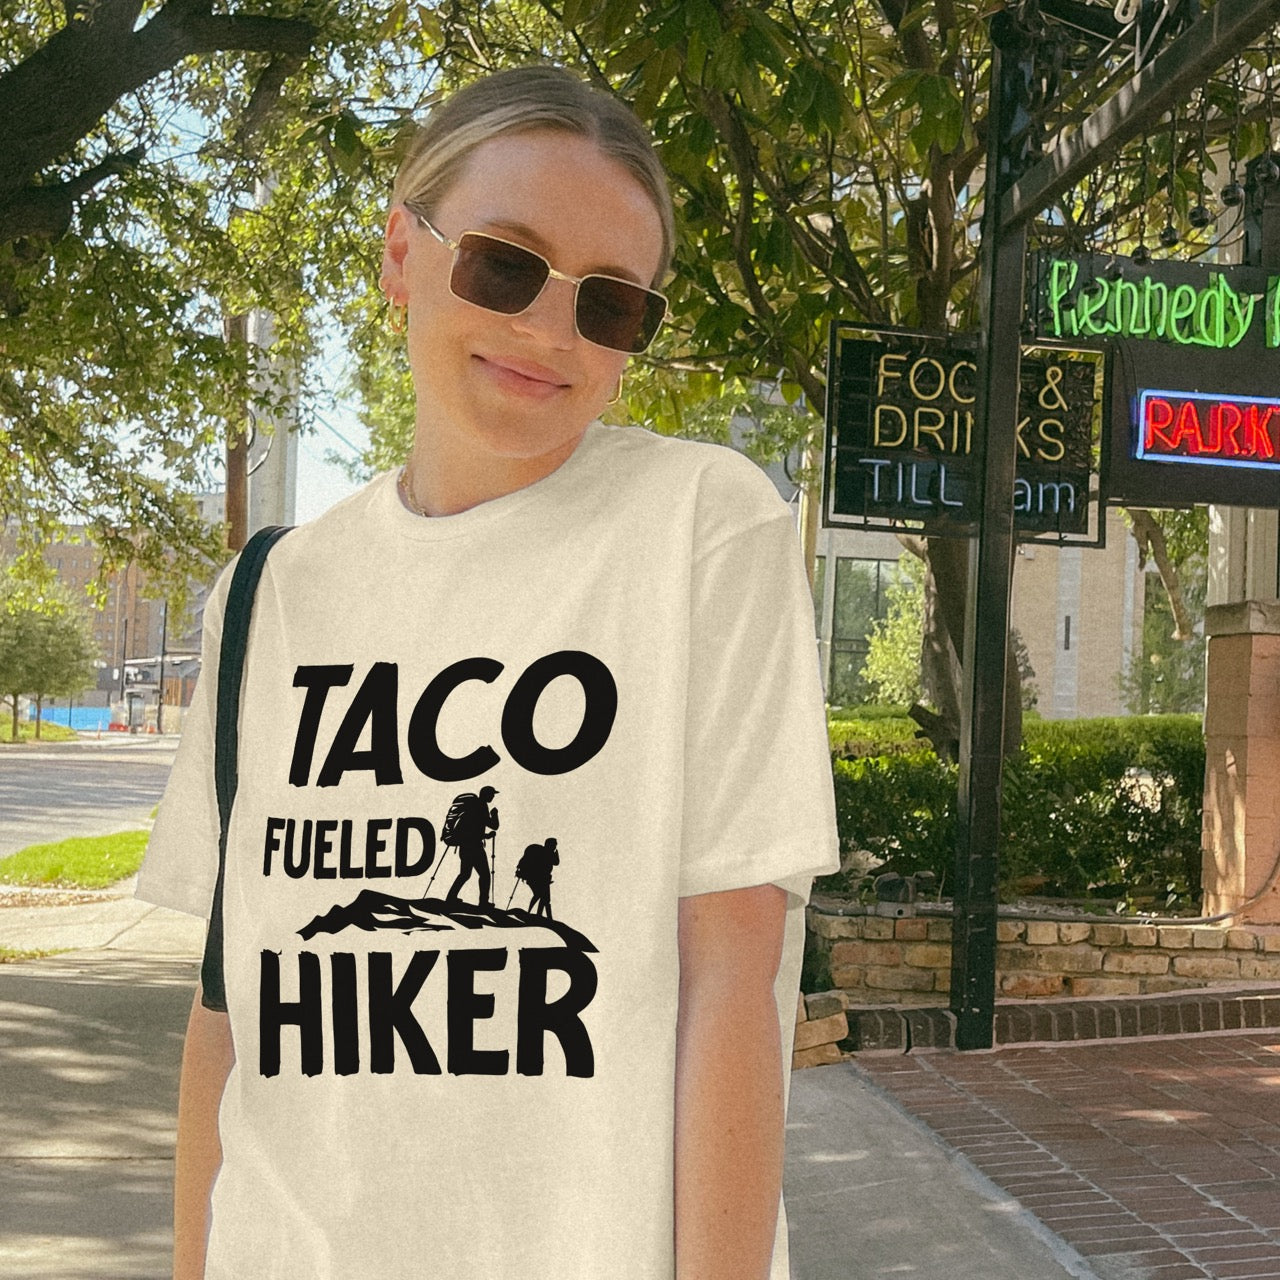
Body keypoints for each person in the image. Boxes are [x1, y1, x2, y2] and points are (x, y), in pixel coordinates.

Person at [136, 63, 839, 1280]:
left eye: (611, 303)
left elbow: (732, 976)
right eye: (504, 264)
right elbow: (226, 1013)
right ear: (401, 255)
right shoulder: (267, 592)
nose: (548, 329)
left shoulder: (700, 526)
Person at [441, 784, 500, 906]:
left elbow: (472, 829)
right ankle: (483, 902)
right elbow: (493, 825)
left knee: (465, 874)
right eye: (492, 794)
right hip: (475, 847)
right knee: (484, 875)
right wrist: (495, 814)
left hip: (465, 845)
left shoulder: (473, 806)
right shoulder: (481, 806)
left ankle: (451, 897)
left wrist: (485, 836)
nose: (493, 796)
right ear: (486, 794)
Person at [516, 835, 559, 917]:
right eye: (555, 844)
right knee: (543, 897)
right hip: (541, 879)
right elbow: (556, 862)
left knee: (542, 897)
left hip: (539, 878)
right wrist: (556, 852)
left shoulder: (543, 851)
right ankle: (542, 916)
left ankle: (537, 914)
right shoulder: (547, 853)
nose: (555, 846)